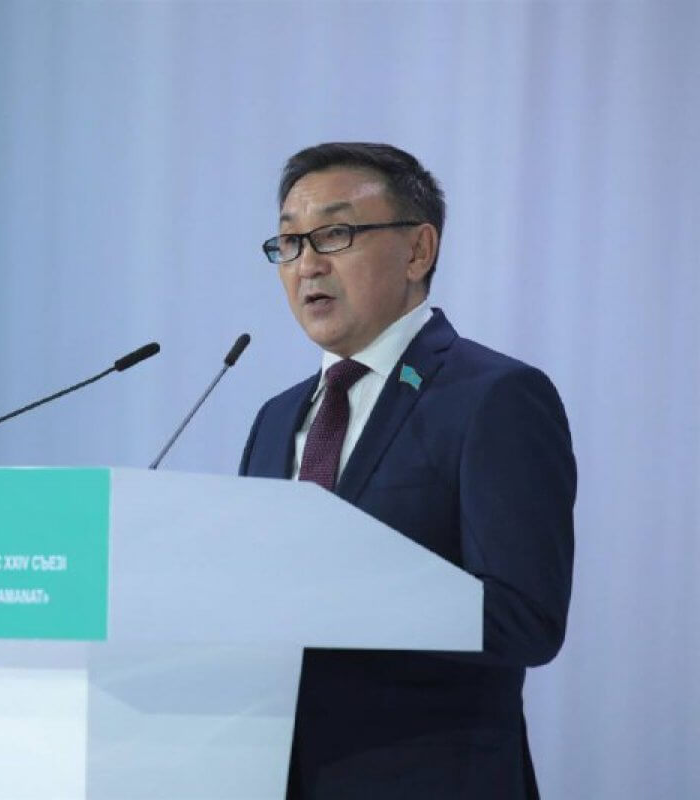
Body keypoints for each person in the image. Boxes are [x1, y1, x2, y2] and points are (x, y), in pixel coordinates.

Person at [239, 143, 575, 799]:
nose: (307, 263)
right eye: (290, 242)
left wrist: (325, 594)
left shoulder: (493, 396)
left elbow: (523, 618)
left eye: (335, 234)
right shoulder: (274, 419)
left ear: (418, 251)